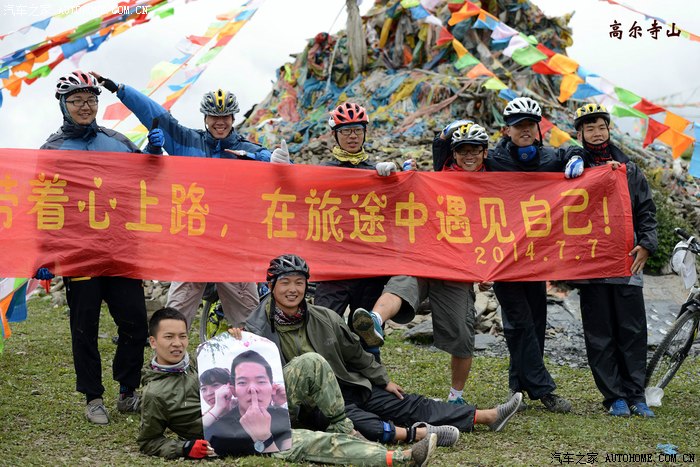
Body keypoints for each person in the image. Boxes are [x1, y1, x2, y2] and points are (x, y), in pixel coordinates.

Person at [241, 254, 523, 445]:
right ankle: (417, 434)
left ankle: (486, 416)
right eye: (285, 283)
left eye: (299, 283)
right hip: (312, 403)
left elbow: (354, 351)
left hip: (348, 385)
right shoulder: (255, 329)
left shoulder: (323, 317)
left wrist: (382, 379)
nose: (292, 289)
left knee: (404, 401)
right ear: (271, 286)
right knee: (355, 420)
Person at [91, 72, 291, 330]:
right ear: (205, 118)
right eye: (214, 117)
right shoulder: (186, 141)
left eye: (225, 117)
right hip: (193, 245)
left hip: (233, 248)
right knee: (175, 317)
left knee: (250, 323)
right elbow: (155, 113)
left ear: (233, 118)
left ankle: (254, 355)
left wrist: (281, 164)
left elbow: (277, 170)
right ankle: (169, 356)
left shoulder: (248, 151)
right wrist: (119, 88)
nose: (220, 122)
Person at [139, 307, 439, 466]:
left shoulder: (202, 359)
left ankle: (343, 426)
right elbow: (149, 442)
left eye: (182, 336)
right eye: (169, 338)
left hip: (254, 400)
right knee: (312, 442)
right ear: (153, 342)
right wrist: (184, 447)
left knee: (311, 361)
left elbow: (240, 367)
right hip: (240, 433)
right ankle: (400, 459)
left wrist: (236, 341)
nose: (177, 344)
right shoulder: (155, 393)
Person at [37, 70, 161, 424]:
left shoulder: (118, 142)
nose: (85, 106)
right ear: (63, 105)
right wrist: (43, 254)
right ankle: (93, 398)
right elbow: (41, 205)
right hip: (79, 255)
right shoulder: (52, 150)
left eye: (90, 100)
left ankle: (127, 391)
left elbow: (147, 178)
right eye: (76, 100)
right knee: (84, 327)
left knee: (135, 322)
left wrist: (153, 152)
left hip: (121, 251)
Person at [351, 122, 494, 405]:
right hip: (424, 255)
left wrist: (487, 268)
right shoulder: (437, 177)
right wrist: (400, 176)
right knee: (401, 284)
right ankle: (375, 321)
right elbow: (405, 195)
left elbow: (497, 228)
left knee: (462, 332)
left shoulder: (495, 184)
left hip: (457, 268)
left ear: (484, 153)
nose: (468, 156)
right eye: (462, 151)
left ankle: (456, 397)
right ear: (453, 154)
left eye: (474, 150)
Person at [485, 97, 581, 413]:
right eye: (519, 126)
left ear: (538, 129)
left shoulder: (550, 158)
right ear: (507, 130)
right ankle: (544, 390)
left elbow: (574, 151)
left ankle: (517, 389)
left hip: (536, 257)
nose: (525, 130)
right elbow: (456, 165)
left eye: (530, 125)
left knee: (535, 322)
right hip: (503, 257)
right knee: (519, 321)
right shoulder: (493, 160)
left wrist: (576, 157)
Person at [569, 103, 658, 417]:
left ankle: (636, 395)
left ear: (609, 129)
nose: (596, 133)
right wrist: (573, 160)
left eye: (601, 127)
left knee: (632, 331)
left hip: (625, 261)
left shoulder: (628, 170)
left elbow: (646, 211)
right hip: (590, 264)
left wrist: (646, 244)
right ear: (580, 134)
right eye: (589, 128)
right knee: (599, 333)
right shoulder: (572, 170)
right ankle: (614, 397)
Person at [313, 102, 412, 353]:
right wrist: (282, 171)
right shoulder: (321, 171)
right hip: (333, 267)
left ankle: (371, 376)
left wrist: (401, 178)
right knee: (322, 328)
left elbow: (400, 208)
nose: (352, 136)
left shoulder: (377, 172)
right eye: (346, 131)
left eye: (357, 130)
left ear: (365, 132)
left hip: (369, 265)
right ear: (334, 135)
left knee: (368, 333)